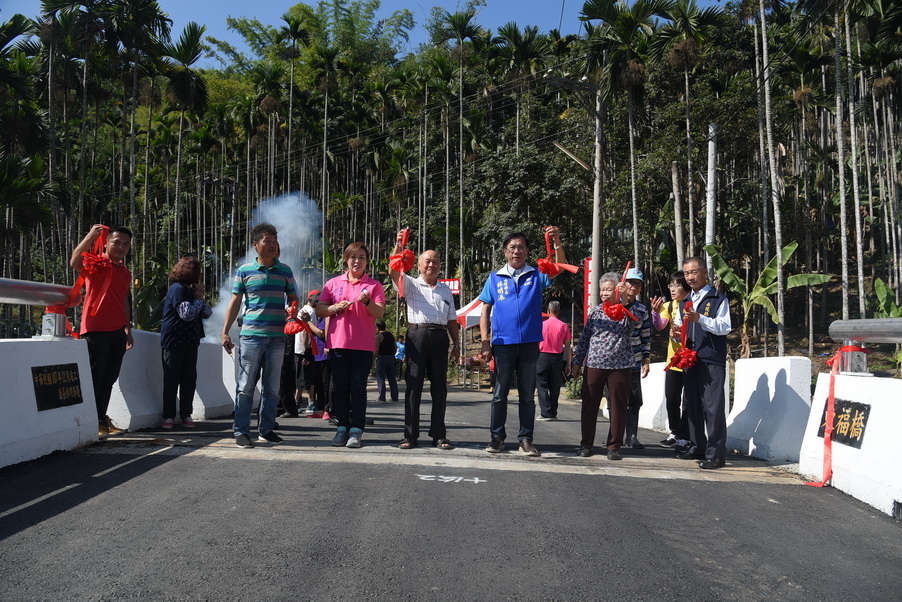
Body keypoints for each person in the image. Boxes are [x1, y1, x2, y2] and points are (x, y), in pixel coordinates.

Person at [479, 227, 566, 456]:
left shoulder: (537, 274)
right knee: (500, 393)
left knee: (527, 394)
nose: (516, 251)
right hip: (502, 343)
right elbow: (485, 309)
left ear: (527, 251)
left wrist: (556, 241)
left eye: (521, 247)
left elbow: (559, 266)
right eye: (512, 247)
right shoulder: (494, 277)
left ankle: (526, 438)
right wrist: (485, 340)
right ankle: (497, 437)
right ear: (505, 252)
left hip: (529, 344)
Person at [221, 223, 299, 449]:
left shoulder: (285, 270)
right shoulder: (245, 271)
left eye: (275, 241)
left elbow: (294, 297)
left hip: (278, 338)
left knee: (272, 387)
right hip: (251, 337)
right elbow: (235, 302)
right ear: (256, 245)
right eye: (267, 240)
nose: (273, 244)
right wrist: (225, 331)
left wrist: (293, 309)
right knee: (245, 386)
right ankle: (241, 431)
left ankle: (266, 429)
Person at [388, 231, 460, 450]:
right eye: (427, 261)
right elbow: (393, 270)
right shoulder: (410, 284)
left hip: (440, 337)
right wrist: (399, 246)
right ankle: (410, 435)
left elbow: (452, 320)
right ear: (418, 265)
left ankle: (439, 435)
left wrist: (456, 345)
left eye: (436, 262)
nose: (432, 265)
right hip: (417, 336)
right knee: (413, 387)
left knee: (440, 388)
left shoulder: (446, 289)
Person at [316, 242, 386, 449]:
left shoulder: (374, 285)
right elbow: (320, 309)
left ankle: (356, 430)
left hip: (363, 347)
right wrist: (335, 307)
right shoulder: (332, 284)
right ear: (346, 260)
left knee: (358, 389)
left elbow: (380, 313)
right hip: (338, 344)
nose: (357, 261)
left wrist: (366, 302)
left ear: (367, 261)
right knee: (340, 389)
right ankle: (341, 428)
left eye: (362, 257)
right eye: (353, 257)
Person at [70, 224, 134, 438]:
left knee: (109, 377)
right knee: (95, 376)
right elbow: (74, 262)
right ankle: (91, 421)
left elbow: (124, 299)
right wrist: (90, 235)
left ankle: (100, 419)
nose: (121, 247)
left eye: (126, 244)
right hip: (95, 329)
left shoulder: (125, 271)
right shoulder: (96, 263)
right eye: (116, 242)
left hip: (118, 331)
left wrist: (128, 328)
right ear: (106, 242)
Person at [673, 256, 732, 469]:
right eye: (687, 273)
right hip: (690, 359)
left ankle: (716, 454)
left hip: (710, 359)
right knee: (692, 405)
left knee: (713, 407)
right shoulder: (684, 302)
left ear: (705, 272)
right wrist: (676, 333)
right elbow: (683, 331)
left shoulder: (718, 298)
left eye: (694, 272)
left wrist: (701, 319)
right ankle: (696, 445)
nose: (690, 277)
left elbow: (725, 327)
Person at [572, 272, 635, 460]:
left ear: (617, 290)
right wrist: (577, 362)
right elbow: (584, 339)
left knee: (618, 406)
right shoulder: (596, 311)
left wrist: (624, 301)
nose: (605, 293)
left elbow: (633, 325)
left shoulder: (627, 310)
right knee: (589, 404)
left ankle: (614, 446)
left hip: (620, 365)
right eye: (602, 290)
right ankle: (586, 444)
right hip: (594, 363)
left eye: (609, 289)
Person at [160, 256, 212, 429]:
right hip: (174, 340)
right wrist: (197, 298)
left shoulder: (191, 291)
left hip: (190, 341)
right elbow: (187, 314)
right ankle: (168, 416)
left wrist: (200, 297)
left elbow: (206, 313)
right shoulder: (177, 289)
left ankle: (185, 414)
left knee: (189, 379)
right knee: (172, 379)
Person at [649, 272, 692, 448]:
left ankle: (686, 435)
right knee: (672, 398)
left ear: (686, 287)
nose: (673, 289)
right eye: (671, 286)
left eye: (677, 285)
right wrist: (654, 312)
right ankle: (675, 432)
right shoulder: (668, 305)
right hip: (673, 361)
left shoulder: (692, 304)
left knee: (688, 400)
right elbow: (659, 325)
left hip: (690, 360)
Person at [621, 268, 651, 449]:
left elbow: (646, 336)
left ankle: (632, 436)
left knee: (634, 398)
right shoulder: (613, 305)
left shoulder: (642, 309)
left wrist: (646, 359)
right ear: (623, 284)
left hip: (634, 360)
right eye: (631, 282)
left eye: (638, 283)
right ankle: (614, 436)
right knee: (615, 399)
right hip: (613, 361)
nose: (634, 286)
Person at [536, 300, 572, 421]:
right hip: (557, 357)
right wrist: (568, 364)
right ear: (559, 312)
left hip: (542, 356)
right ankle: (553, 412)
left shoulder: (541, 325)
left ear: (548, 311)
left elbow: (536, 343)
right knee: (555, 386)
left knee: (542, 384)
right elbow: (567, 346)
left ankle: (545, 412)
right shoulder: (564, 326)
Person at [374, 321, 399, 403]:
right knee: (392, 378)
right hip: (391, 357)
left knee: (381, 378)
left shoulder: (379, 336)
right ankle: (395, 397)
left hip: (382, 358)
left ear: (378, 328)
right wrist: (392, 355)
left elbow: (376, 349)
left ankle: (381, 397)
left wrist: (374, 358)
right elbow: (395, 347)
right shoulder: (391, 335)